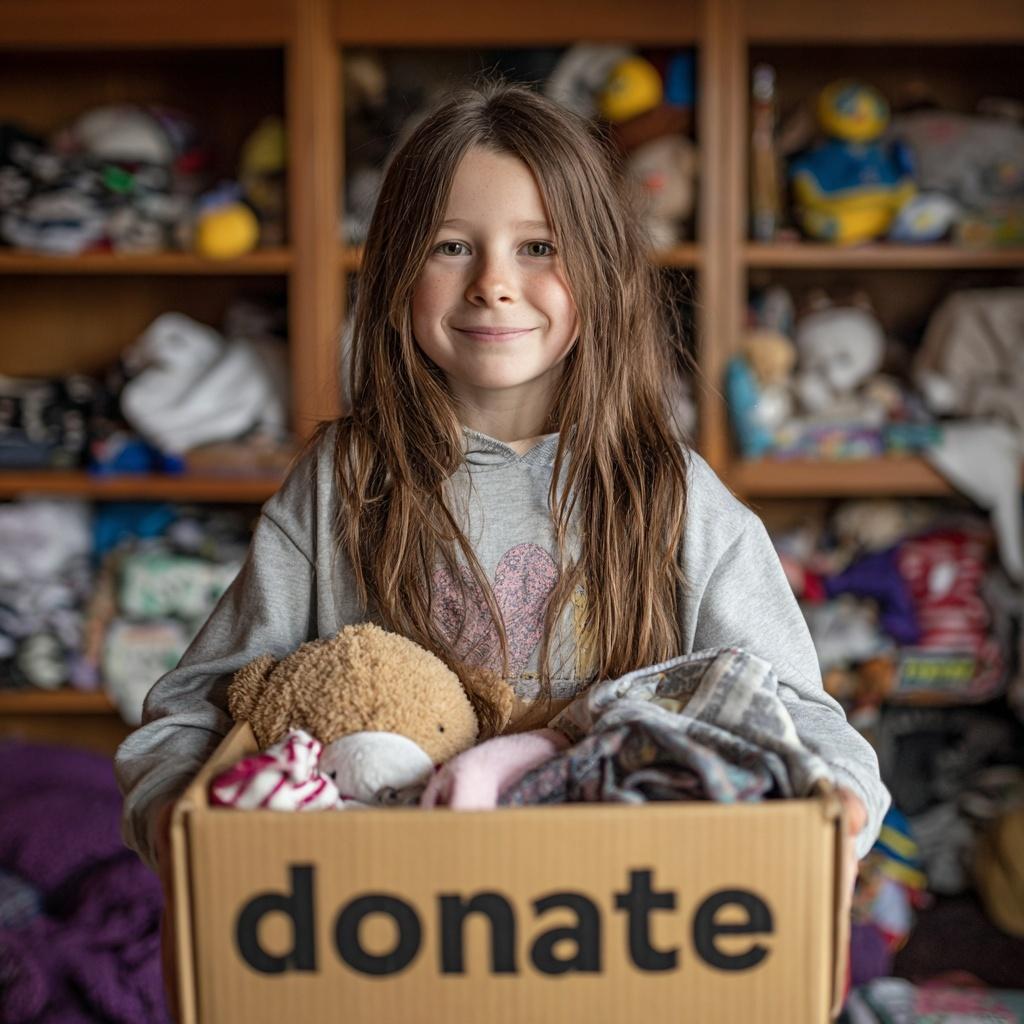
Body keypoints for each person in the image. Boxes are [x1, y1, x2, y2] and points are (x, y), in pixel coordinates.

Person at [115, 80, 888, 926]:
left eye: (537, 247)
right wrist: (174, 815)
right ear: (397, 272)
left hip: (613, 918)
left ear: (602, 272)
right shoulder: (342, 481)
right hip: (385, 916)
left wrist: (833, 814)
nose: (492, 283)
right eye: (451, 247)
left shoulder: (672, 494)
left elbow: (801, 721)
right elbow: (198, 709)